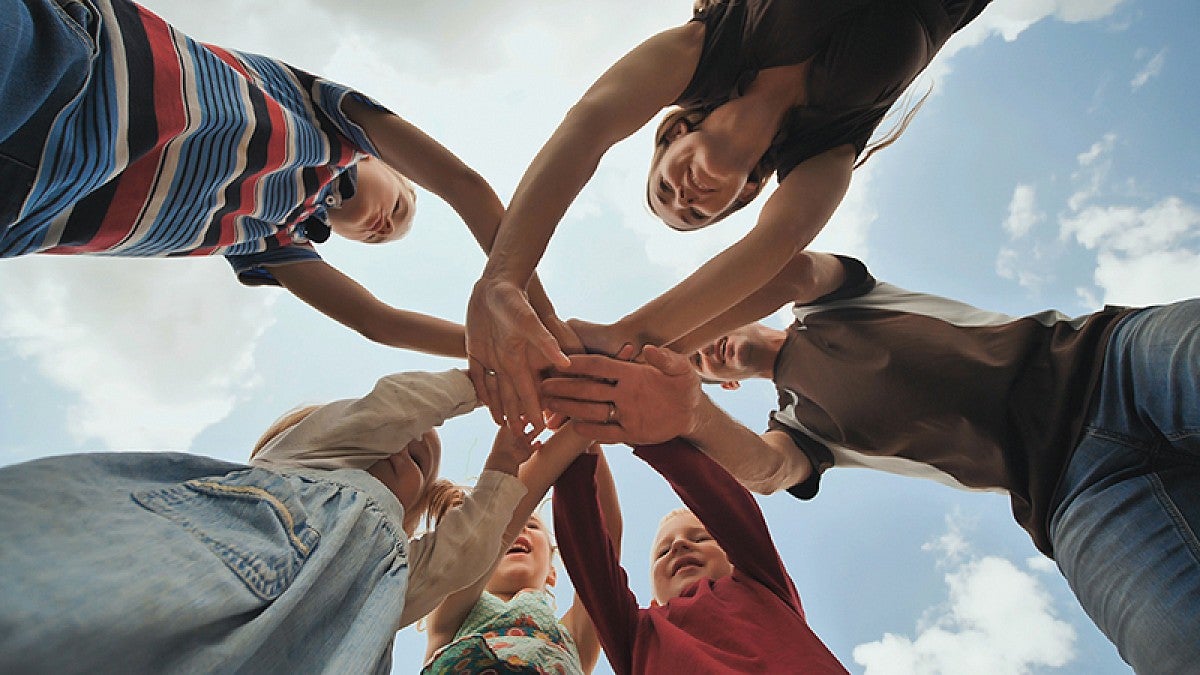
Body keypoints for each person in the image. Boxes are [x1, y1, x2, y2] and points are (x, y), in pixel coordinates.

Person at [540, 252, 1200, 674]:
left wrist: (646, 343)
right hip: (1072, 498)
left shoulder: (830, 302)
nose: (706, 348)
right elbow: (757, 478)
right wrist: (647, 416)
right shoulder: (801, 434)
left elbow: (789, 267)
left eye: (706, 332)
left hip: (1109, 364)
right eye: (700, 359)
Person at [465, 0, 993, 430]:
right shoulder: (827, 151)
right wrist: (635, 339)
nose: (684, 197)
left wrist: (503, 280)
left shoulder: (705, 47)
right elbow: (779, 242)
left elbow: (590, 125)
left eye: (665, 186)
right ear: (746, 194)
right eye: (695, 215)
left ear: (674, 135)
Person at [1, 0, 565, 358]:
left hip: (29, 205)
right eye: (399, 208)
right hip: (79, 75)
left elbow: (377, 321)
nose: (383, 224)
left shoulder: (271, 239)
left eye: (380, 237)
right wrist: (537, 314)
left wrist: (502, 349)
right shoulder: (329, 122)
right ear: (378, 163)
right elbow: (464, 185)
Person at [0, 368, 543, 673]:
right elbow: (394, 409)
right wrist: (487, 383)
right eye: (408, 437)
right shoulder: (301, 459)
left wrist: (505, 458)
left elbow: (467, 550)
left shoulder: (397, 576)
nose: (413, 443)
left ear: (410, 517)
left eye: (421, 464)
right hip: (189, 560)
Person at [551, 438, 847, 674]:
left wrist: (644, 433)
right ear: (653, 599)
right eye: (663, 551)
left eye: (701, 537)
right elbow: (588, 555)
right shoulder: (637, 633)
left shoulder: (761, 584)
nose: (679, 545)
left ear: (733, 558)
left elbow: (720, 499)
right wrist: (575, 440)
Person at [422, 447, 619, 674]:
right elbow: (486, 535)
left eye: (533, 525)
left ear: (552, 573)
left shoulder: (572, 636)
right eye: (511, 525)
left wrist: (589, 440)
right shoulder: (452, 608)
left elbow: (605, 544)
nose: (520, 529)